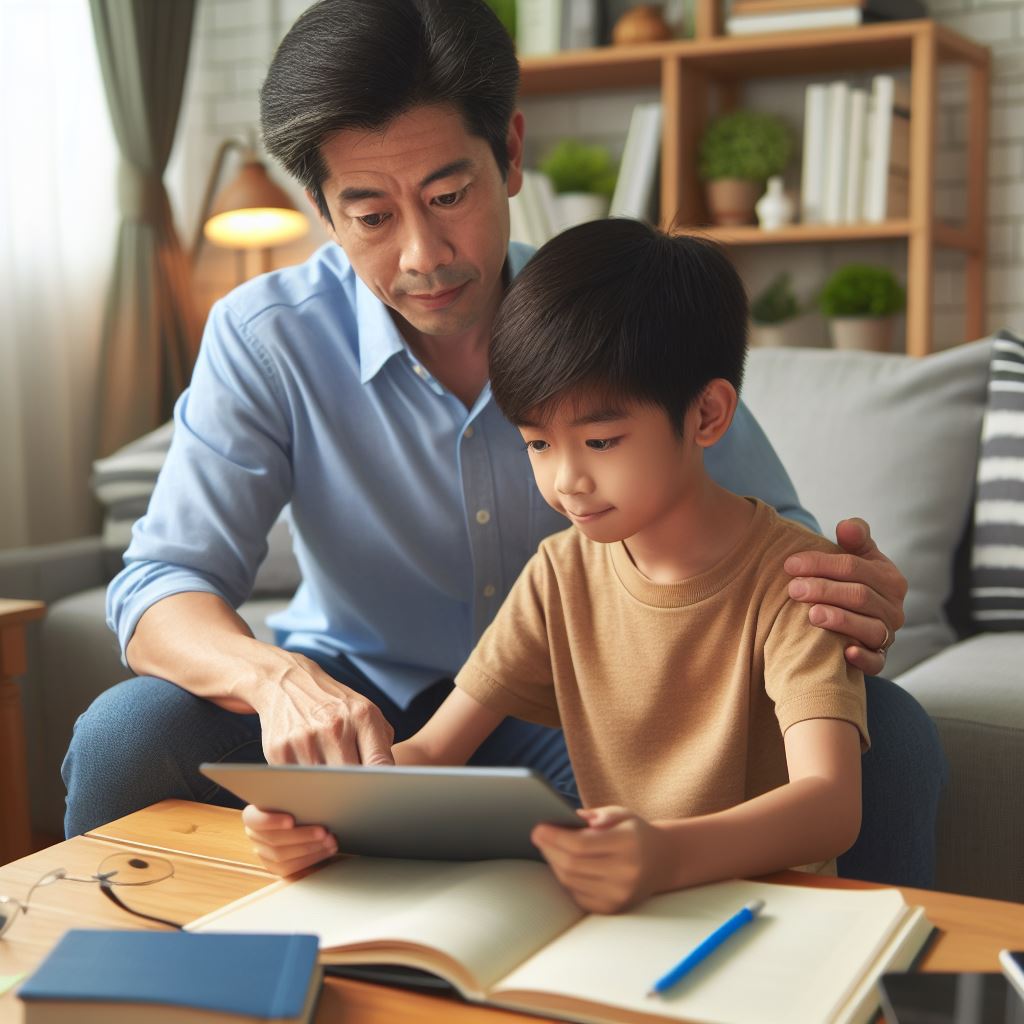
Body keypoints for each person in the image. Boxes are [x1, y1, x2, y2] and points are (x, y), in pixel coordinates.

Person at [62, 0, 943, 888]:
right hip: (354, 693)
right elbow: (159, 583)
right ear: (322, 209)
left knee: (890, 734)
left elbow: (762, 547)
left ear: (512, 154)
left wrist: (845, 599)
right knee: (126, 734)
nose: (423, 255)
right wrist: (275, 681)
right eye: (370, 215)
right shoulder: (265, 337)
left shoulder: (601, 317)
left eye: (450, 197)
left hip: (580, 716)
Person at [247, 220, 870, 915]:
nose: (566, 479)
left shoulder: (794, 580)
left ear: (707, 414)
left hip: (774, 919)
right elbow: (430, 753)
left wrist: (665, 854)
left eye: (601, 440)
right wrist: (318, 816)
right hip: (625, 911)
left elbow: (829, 806)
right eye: (538, 443)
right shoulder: (559, 573)